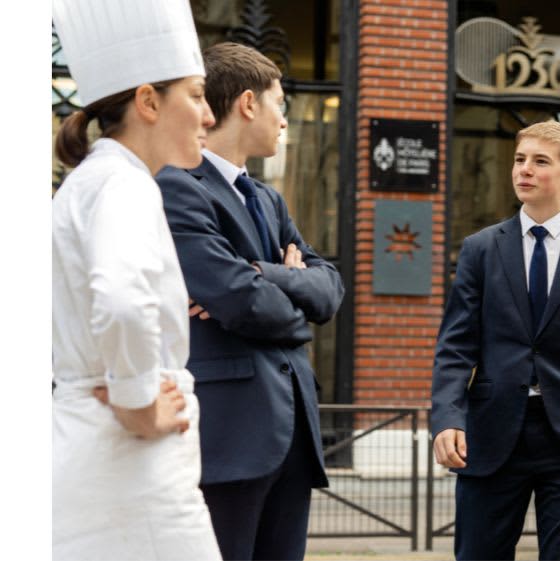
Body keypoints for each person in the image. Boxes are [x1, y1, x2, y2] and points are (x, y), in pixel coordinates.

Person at [154, 41, 344, 561]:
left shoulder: (268, 197)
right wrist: (286, 284)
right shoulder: (176, 187)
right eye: (279, 102)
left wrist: (263, 272)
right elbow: (241, 302)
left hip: (292, 433)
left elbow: (329, 289)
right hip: (230, 435)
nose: (284, 117)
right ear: (247, 103)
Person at [51, 1, 221, 559]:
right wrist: (137, 401)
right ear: (148, 101)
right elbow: (124, 302)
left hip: (104, 450)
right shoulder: (123, 185)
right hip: (129, 458)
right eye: (196, 95)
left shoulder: (96, 181)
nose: (208, 116)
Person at [430, 120, 560, 560]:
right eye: (520, 159)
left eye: (540, 161)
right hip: (491, 434)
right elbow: (456, 345)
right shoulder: (480, 249)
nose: (524, 169)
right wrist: (448, 416)